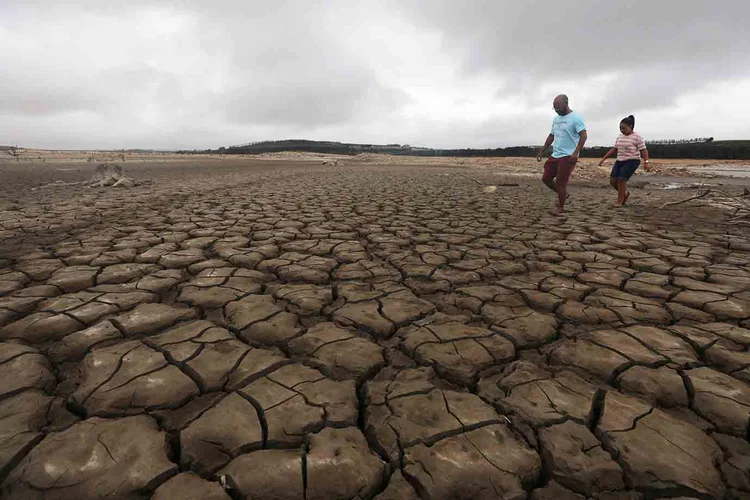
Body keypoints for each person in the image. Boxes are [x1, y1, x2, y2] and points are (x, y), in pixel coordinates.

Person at [536, 94, 587, 215]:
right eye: (554, 107)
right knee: (546, 178)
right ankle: (563, 194)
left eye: (558, 106)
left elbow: (583, 136)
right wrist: (542, 150)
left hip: (568, 155)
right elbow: (551, 136)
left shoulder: (576, 118)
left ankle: (561, 207)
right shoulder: (556, 119)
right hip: (555, 154)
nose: (556, 109)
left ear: (566, 103)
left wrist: (575, 153)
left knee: (560, 182)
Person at [598, 115, 651, 206]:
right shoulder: (620, 137)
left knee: (621, 180)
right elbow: (614, 149)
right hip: (620, 161)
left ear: (630, 126)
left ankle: (619, 201)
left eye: (624, 128)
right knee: (613, 181)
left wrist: (646, 162)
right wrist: (604, 158)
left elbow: (644, 150)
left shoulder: (637, 137)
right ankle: (624, 194)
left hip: (632, 161)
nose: (622, 130)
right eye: (620, 128)